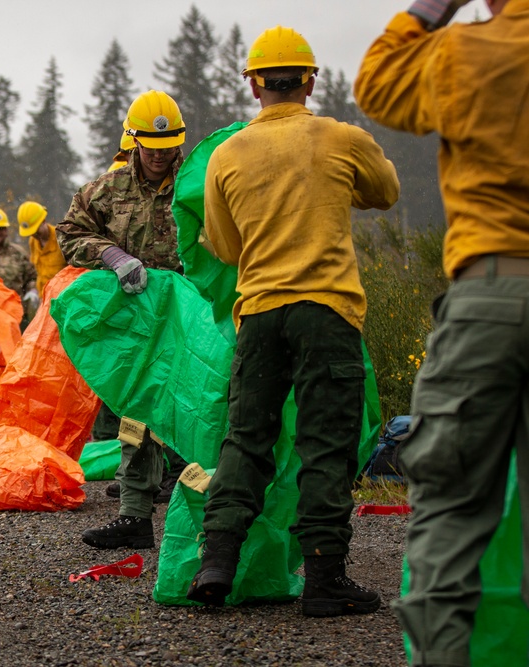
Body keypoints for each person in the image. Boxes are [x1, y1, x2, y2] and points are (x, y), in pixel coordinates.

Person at [188, 27, 400, 617]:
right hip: (327, 314)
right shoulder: (340, 138)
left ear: (254, 85)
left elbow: (225, 248)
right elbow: (385, 191)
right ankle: (325, 580)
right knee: (324, 445)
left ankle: (217, 564)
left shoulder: (226, 155)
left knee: (246, 439)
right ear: (310, 80)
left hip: (258, 316)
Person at [355, 0, 528, 661]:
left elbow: (377, 82)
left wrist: (432, 9)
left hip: (488, 290)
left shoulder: (464, 53)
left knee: (452, 509)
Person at [57, 89, 190, 550]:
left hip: (188, 327)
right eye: (150, 146)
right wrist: (111, 255)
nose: (158, 154)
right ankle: (135, 516)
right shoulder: (106, 191)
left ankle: (207, 524)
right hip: (135, 330)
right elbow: (70, 233)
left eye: (168, 144)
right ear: (133, 141)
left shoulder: (196, 185)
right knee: (135, 421)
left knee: (195, 418)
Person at [17, 201, 66, 299]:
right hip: (43, 298)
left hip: (63, 299)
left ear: (43, 221)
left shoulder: (63, 239)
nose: (34, 235)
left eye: (36, 230)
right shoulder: (33, 242)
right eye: (31, 232)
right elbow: (38, 272)